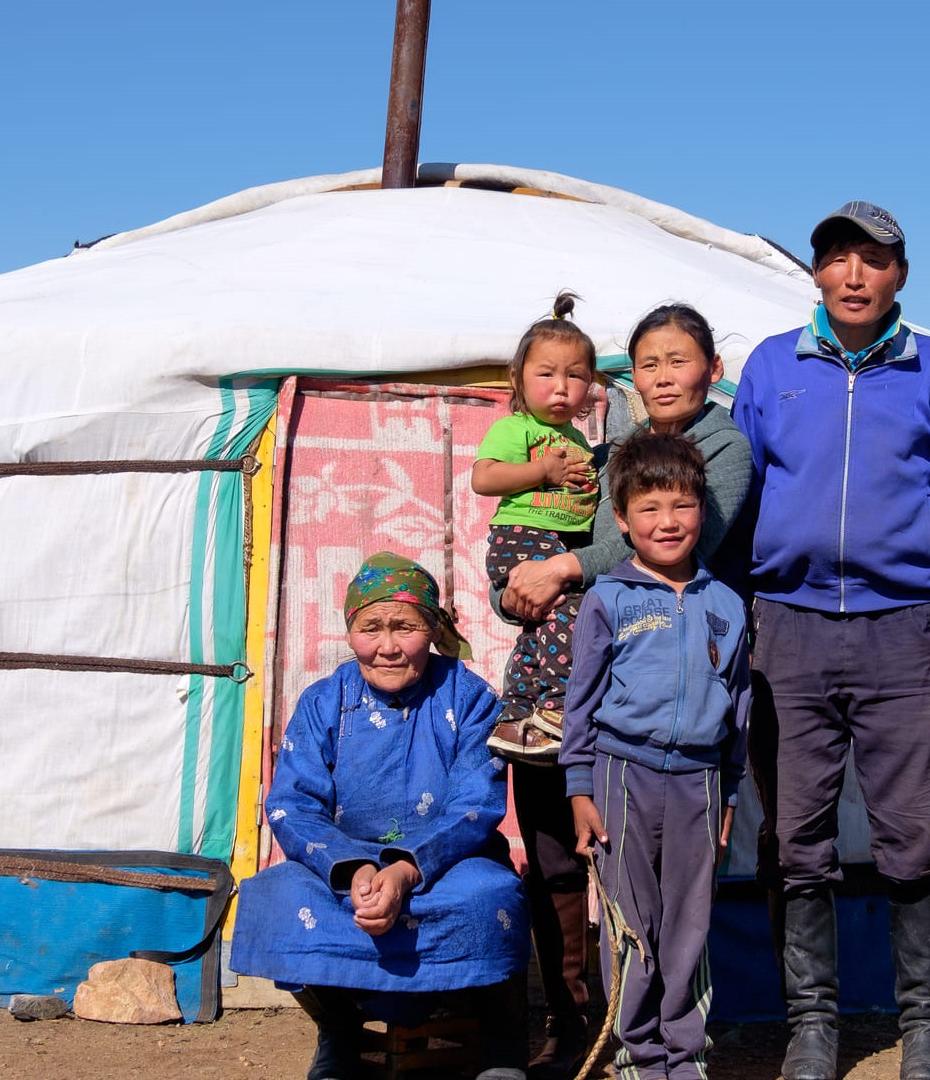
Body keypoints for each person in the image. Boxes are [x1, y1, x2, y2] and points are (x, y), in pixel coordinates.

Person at [731, 202, 930, 1080]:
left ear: (899, 276)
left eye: (874, 260)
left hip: (902, 631)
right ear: (815, 273)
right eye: (839, 258)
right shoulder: (773, 365)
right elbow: (732, 502)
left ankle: (926, 1025)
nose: (855, 275)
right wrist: (725, 617)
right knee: (796, 835)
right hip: (788, 628)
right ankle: (811, 1025)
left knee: (911, 835)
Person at [494, 302, 753, 1079]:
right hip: (614, 754)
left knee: (684, 920)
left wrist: (557, 568)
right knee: (615, 906)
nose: (664, 375)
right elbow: (597, 537)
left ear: (712, 367)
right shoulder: (610, 452)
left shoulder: (723, 451)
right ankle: (615, 1039)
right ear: (631, 378)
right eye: (648, 362)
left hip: (693, 751)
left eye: (680, 359)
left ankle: (679, 1051)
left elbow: (628, 547)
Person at [230, 553, 530, 1080]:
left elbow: (475, 805)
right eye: (371, 627)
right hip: (347, 866)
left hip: (450, 862)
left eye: (404, 627)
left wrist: (405, 868)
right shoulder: (324, 701)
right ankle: (340, 1029)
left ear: (432, 631)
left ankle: (502, 1042)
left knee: (492, 898)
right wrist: (352, 870)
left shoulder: (472, 697)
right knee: (275, 895)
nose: (387, 646)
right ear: (351, 634)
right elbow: (293, 803)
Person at [561, 430, 751, 1080]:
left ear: (702, 509)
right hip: (620, 775)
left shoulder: (726, 605)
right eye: (649, 508)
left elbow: (740, 708)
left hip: (699, 780)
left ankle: (686, 1057)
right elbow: (580, 703)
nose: (667, 522)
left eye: (682, 505)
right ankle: (638, 1055)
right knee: (631, 923)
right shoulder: (607, 599)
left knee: (690, 925)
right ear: (622, 520)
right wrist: (579, 788)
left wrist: (728, 793)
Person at [473, 290, 602, 763]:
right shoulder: (516, 428)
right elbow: (482, 478)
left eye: (575, 376)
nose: (561, 387)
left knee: (539, 630)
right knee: (572, 612)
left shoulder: (578, 440)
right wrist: (541, 472)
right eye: (546, 374)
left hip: (556, 541)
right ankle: (556, 710)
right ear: (519, 379)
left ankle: (516, 715)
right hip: (521, 537)